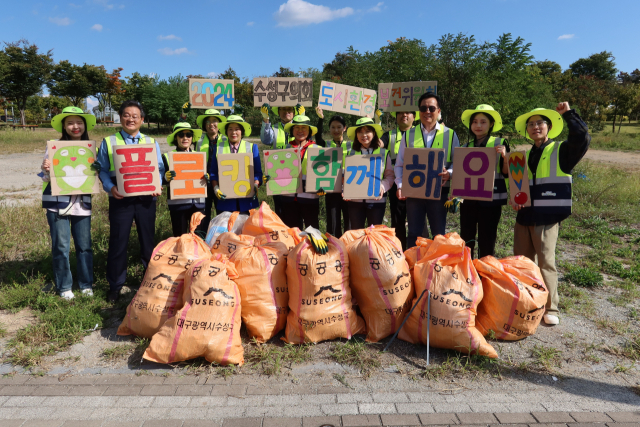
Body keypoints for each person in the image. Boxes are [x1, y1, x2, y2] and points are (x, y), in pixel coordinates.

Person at [511, 102, 590, 326]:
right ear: (526, 130)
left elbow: (582, 137)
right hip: (524, 217)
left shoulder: (561, 151)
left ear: (548, 127)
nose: (535, 127)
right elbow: (517, 185)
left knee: (546, 263)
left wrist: (569, 114)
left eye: (539, 124)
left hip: (548, 217)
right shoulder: (523, 156)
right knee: (523, 263)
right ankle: (526, 303)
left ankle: (550, 308)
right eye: (531, 125)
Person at [95, 100, 164, 302]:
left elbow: (159, 168)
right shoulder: (109, 142)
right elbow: (102, 170)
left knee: (147, 241)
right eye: (126, 115)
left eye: (135, 116)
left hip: (145, 198)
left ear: (142, 120)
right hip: (121, 197)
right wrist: (111, 187)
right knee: (118, 241)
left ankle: (149, 283)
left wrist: (157, 185)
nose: (130, 119)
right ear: (120, 118)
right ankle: (115, 286)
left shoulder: (151, 142)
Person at [39, 106, 96, 300]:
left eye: (79, 122)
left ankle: (86, 284)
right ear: (64, 126)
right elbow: (45, 178)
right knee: (61, 246)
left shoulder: (90, 147)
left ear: (85, 125)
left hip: (82, 203)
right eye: (70, 123)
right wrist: (45, 169)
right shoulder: (54, 145)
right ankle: (64, 286)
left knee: (84, 246)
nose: (75, 126)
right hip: (57, 203)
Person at [394, 93, 460, 248]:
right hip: (414, 193)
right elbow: (399, 164)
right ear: (419, 111)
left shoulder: (450, 134)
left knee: (439, 235)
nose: (427, 111)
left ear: (438, 111)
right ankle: (414, 268)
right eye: (423, 108)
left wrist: (449, 174)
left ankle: (436, 269)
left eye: (431, 108)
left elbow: (458, 163)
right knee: (414, 235)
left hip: (439, 193)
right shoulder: (409, 134)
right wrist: (400, 185)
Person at [459, 104, 510, 258]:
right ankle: (468, 272)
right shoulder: (465, 146)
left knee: (487, 240)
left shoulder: (500, 144)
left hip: (491, 202)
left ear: (491, 124)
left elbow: (507, 173)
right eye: (475, 122)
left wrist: (505, 157)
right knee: (466, 239)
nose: (478, 125)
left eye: (483, 122)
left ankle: (484, 274)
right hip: (469, 201)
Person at [266, 115, 323, 229]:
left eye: (304, 128)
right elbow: (278, 173)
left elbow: (323, 174)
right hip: (288, 199)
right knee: (292, 232)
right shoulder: (285, 149)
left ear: (310, 131)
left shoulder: (317, 149)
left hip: (309, 198)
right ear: (292, 130)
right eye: (297, 128)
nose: (300, 131)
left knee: (312, 232)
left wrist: (324, 187)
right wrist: (269, 178)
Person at [344, 117, 395, 229]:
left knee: (374, 234)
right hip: (355, 202)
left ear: (374, 133)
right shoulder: (349, 153)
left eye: (368, 131)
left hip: (376, 201)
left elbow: (390, 176)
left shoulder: (384, 153)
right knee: (357, 234)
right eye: (360, 132)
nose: (364, 135)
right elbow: (344, 176)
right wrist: (345, 189)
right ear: (356, 135)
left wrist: (382, 187)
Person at [380, 109, 418, 250]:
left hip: (419, 182)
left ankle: (418, 253)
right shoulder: (389, 135)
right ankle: (400, 251)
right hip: (397, 182)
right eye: (400, 112)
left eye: (408, 112)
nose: (404, 115)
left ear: (414, 116)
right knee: (398, 219)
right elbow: (379, 143)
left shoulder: (420, 133)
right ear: (396, 117)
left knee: (418, 220)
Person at [162, 122, 207, 237]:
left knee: (198, 237)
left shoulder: (200, 156)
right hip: (178, 205)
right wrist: (165, 178)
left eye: (188, 135)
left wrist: (207, 178)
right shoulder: (167, 156)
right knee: (180, 237)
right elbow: (160, 180)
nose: (185, 138)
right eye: (181, 135)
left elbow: (205, 178)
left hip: (198, 204)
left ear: (192, 138)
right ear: (176, 138)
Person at [210, 115, 262, 214]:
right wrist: (216, 188)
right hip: (226, 201)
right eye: (230, 129)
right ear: (226, 132)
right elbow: (213, 172)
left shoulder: (252, 147)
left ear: (242, 131)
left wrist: (256, 184)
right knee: (227, 229)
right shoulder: (218, 148)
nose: (233, 132)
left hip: (247, 201)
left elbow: (258, 172)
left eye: (237, 129)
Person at [260, 103, 303, 220]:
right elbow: (265, 139)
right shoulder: (274, 128)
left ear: (294, 112)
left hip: (296, 173)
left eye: (289, 109)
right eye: (283, 109)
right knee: (280, 209)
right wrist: (266, 119)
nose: (286, 112)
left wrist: (301, 118)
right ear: (278, 113)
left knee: (297, 208)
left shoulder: (299, 128)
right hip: (277, 175)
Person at [314, 107, 351, 236]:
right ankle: (334, 247)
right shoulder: (326, 144)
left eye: (339, 127)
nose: (336, 130)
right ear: (329, 129)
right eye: (333, 127)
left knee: (349, 221)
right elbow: (317, 137)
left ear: (344, 128)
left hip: (348, 188)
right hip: (331, 188)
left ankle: (348, 247)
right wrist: (320, 119)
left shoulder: (351, 145)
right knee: (333, 220)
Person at [195, 109, 226, 231]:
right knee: (203, 215)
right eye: (208, 121)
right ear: (204, 125)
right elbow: (181, 138)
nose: (211, 124)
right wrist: (183, 117)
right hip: (202, 183)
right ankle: (202, 241)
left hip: (221, 183)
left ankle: (220, 239)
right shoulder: (198, 140)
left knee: (222, 214)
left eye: (214, 121)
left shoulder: (225, 139)